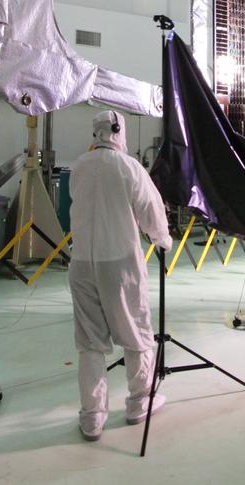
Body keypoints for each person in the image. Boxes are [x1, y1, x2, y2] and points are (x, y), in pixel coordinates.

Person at [68, 109, 174, 441]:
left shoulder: (79, 167)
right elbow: (151, 211)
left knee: (90, 342)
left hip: (81, 264)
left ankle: (92, 416)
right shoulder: (129, 167)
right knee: (135, 331)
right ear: (118, 131)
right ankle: (139, 401)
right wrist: (162, 239)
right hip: (120, 264)